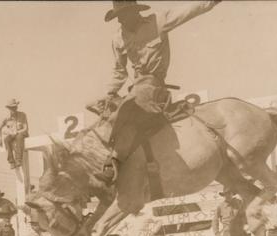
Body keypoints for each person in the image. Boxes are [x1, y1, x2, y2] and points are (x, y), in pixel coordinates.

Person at [94, 0, 221, 182]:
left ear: (135, 12)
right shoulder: (118, 38)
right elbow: (119, 71)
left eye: (124, 15)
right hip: (136, 85)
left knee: (129, 108)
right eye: (118, 17)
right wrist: (109, 93)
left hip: (153, 84)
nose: (121, 21)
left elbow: (191, 10)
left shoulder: (159, 21)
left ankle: (114, 161)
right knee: (99, 109)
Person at [0, 98, 29, 169]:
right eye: (11, 108)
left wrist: (17, 132)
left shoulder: (22, 115)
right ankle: (11, 161)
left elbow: (25, 128)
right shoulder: (6, 118)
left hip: (21, 133)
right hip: (12, 135)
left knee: (19, 137)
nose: (13, 109)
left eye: (15, 107)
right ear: (9, 108)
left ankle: (18, 160)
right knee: (6, 140)